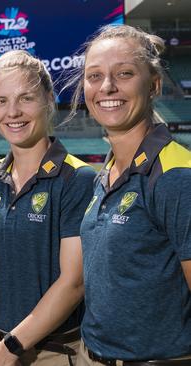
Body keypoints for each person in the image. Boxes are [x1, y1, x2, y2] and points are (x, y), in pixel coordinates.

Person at [67, 24, 191, 365]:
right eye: (94, 76)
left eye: (123, 73)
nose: (107, 87)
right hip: (93, 355)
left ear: (153, 84)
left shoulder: (176, 176)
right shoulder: (107, 172)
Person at [0, 50, 95, 366]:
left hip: (55, 352)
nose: (12, 112)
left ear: (48, 100)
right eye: (0, 101)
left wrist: (9, 348)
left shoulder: (77, 178)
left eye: (25, 99)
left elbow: (73, 281)